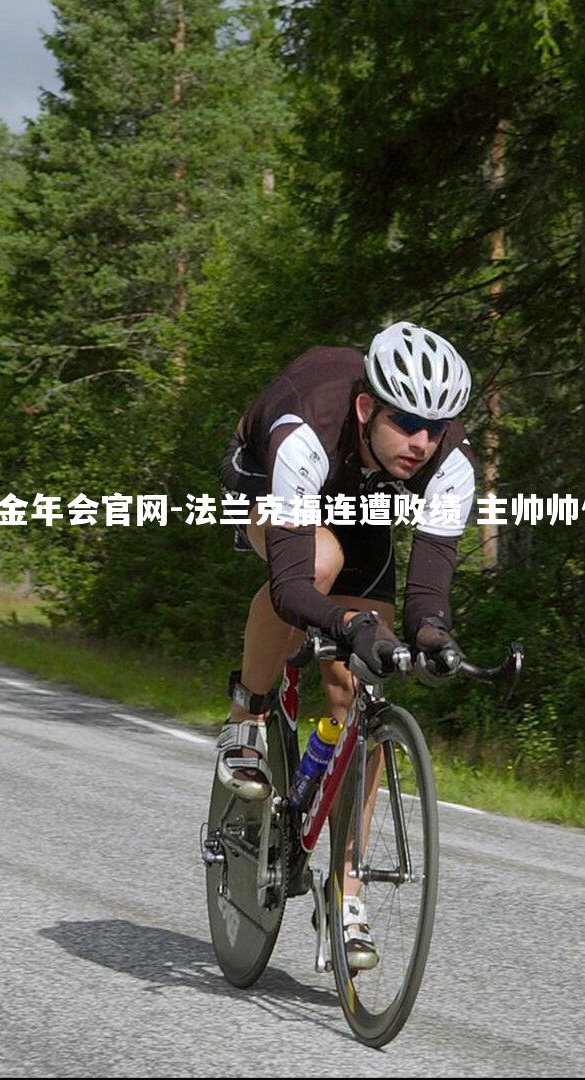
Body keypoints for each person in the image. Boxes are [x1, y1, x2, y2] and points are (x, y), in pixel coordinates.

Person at [216, 320, 475, 970]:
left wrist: (433, 638)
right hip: (272, 481)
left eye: (435, 427)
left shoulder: (447, 462)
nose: (422, 441)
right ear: (367, 407)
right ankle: (247, 717)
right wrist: (347, 624)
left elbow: (426, 596)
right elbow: (296, 585)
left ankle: (345, 888)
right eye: (406, 420)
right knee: (320, 565)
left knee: (355, 685)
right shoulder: (306, 430)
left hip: (364, 496)